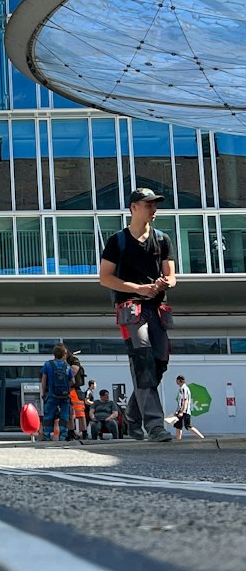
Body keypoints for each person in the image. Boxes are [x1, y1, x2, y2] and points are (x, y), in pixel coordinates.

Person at [99, 187, 175, 443]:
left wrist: (165, 283)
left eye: (155, 205)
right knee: (142, 362)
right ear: (133, 208)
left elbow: (172, 275)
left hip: (157, 308)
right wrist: (139, 288)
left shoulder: (163, 239)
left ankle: (132, 415)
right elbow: (105, 278)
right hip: (130, 309)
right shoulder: (117, 241)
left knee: (159, 364)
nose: (153, 209)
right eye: (148, 204)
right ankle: (155, 425)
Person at [40, 342, 73, 441]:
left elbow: (44, 380)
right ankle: (63, 435)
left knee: (49, 414)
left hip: (52, 395)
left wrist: (43, 392)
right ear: (64, 354)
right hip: (65, 396)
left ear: (54, 354)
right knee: (64, 415)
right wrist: (66, 388)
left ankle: (46, 435)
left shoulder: (48, 365)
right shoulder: (67, 366)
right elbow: (73, 381)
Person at [174, 375, 205, 441]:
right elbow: (180, 401)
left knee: (188, 426)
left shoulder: (184, 388)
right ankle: (178, 440)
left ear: (180, 380)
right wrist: (177, 411)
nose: (176, 382)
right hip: (181, 410)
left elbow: (186, 400)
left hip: (185, 411)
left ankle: (201, 437)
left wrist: (182, 411)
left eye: (177, 380)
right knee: (178, 426)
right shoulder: (181, 388)